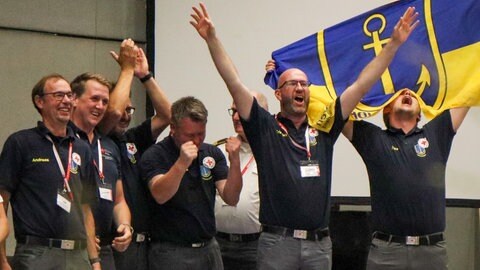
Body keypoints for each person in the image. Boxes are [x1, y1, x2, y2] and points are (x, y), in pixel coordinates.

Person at [191, 3, 418, 269]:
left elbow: (361, 85)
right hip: (277, 243)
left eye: (304, 84)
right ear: (278, 93)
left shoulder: (324, 126)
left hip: (319, 246)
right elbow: (234, 82)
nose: (300, 87)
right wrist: (212, 38)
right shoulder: (265, 128)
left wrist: (393, 45)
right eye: (292, 83)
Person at [342, 89, 469, 270]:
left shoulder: (435, 134)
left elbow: (468, 94)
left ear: (419, 114)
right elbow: (339, 113)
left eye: (413, 95)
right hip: (387, 252)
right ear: (386, 108)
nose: (408, 93)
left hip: (431, 252)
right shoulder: (373, 138)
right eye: (399, 94)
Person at [0, 74, 100, 270]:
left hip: (77, 257)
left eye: (69, 95)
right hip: (37, 254)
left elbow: (86, 209)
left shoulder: (82, 148)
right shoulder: (21, 143)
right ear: (39, 101)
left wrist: (94, 261)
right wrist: (2, 260)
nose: (66, 101)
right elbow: (2, 202)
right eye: (58, 95)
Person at [140, 96, 243, 270]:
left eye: (201, 133)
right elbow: (160, 195)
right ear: (173, 128)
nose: (196, 140)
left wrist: (235, 162)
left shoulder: (211, 153)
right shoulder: (155, 155)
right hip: (171, 251)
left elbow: (231, 197)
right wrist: (181, 163)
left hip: (209, 248)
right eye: (190, 135)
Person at [99, 39, 171, 270]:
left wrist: (146, 76)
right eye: (122, 109)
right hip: (112, 244)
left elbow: (167, 115)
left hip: (143, 245)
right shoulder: (97, 137)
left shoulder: (133, 138)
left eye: (130, 110)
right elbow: (114, 111)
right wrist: (126, 70)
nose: (125, 115)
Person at [70, 72, 132, 269]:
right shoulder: (63, 142)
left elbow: (119, 200)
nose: (100, 106)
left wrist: (125, 226)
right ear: (74, 100)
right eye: (94, 99)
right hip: (72, 247)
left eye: (105, 101)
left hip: (105, 248)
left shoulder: (109, 145)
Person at [214, 92, 268, 270]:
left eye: (241, 111)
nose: (236, 117)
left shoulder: (271, 151)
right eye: (233, 111)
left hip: (255, 245)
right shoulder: (219, 151)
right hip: (217, 242)